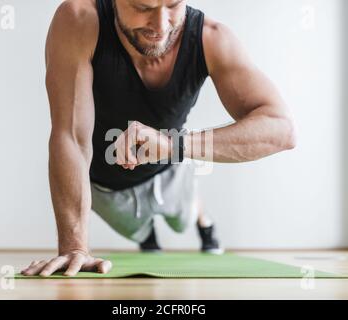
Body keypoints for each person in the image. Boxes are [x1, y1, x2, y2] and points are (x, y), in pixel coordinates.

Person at [21, 0, 297, 277]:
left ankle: (204, 221)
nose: (161, 25)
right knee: (140, 231)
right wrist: (74, 248)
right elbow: (70, 137)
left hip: (171, 171)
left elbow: (281, 129)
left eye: (173, 5)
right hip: (105, 191)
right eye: (143, 7)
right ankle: (148, 234)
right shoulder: (79, 19)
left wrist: (173, 145)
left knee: (183, 221)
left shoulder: (212, 38)